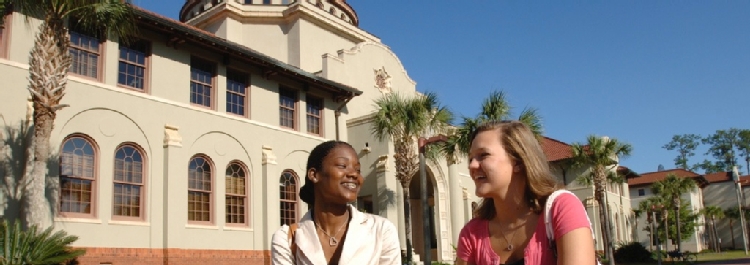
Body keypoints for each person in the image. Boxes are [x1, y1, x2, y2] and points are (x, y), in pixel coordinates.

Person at [456, 120, 597, 265]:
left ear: (518, 162)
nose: (472, 165)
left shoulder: (562, 208)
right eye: (471, 158)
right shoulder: (471, 234)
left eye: (483, 155)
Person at [271, 140, 401, 265]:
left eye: (358, 170)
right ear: (314, 175)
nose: (354, 174)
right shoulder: (287, 239)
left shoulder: (381, 230)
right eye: (342, 166)